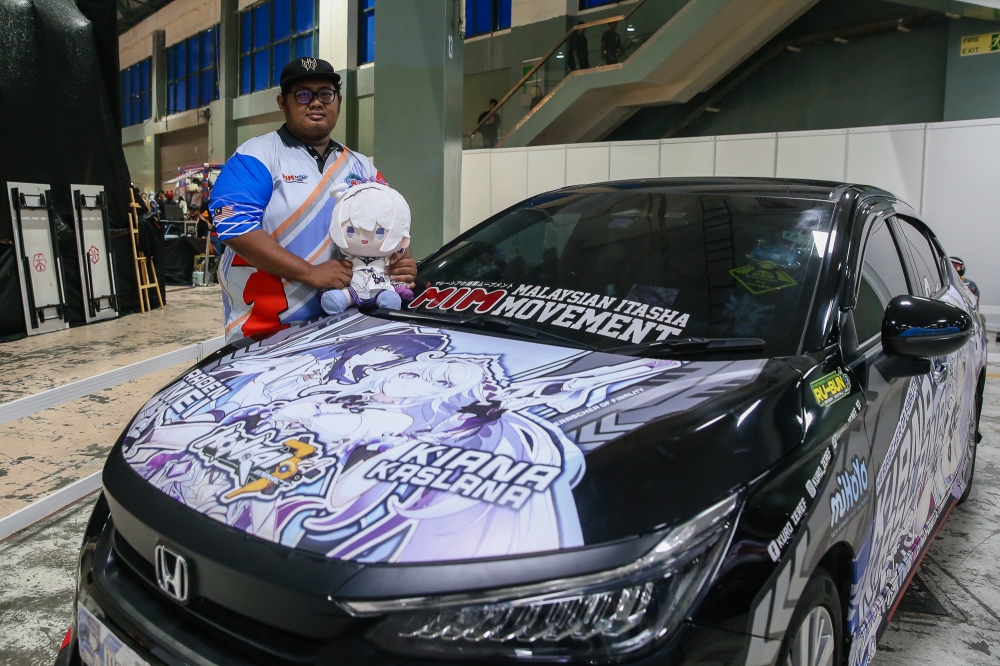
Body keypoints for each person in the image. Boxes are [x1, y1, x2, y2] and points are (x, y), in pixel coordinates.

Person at [210, 57, 417, 342]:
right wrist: (309, 273)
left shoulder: (362, 167)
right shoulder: (255, 155)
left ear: (339, 101)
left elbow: (391, 221)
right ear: (282, 102)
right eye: (303, 94)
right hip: (267, 327)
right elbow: (235, 228)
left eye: (325, 94)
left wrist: (402, 261)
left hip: (346, 323)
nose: (316, 102)